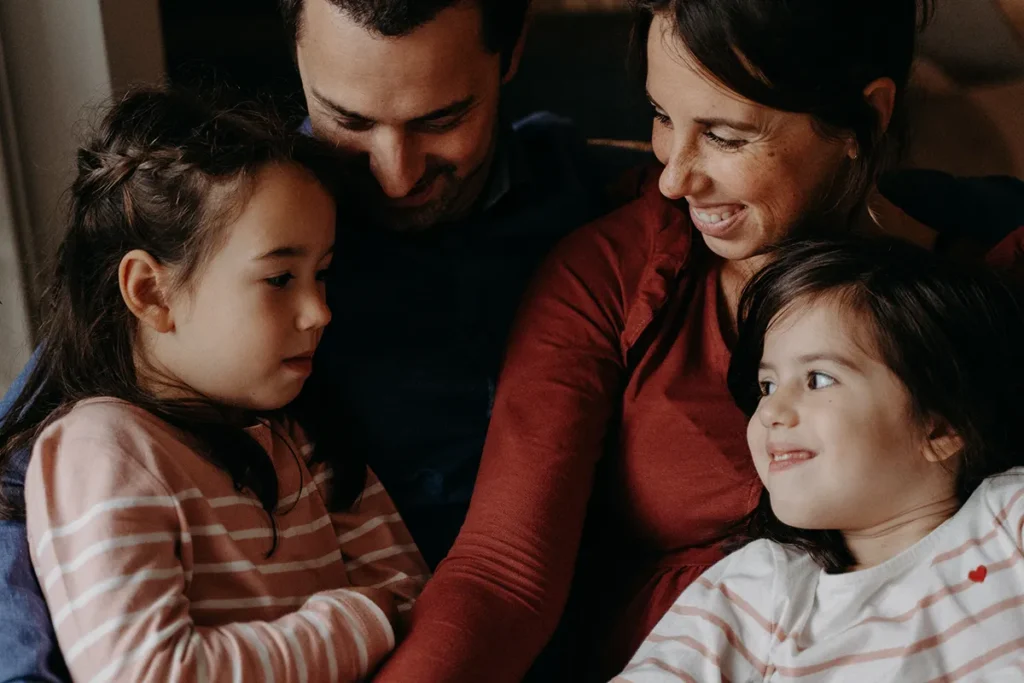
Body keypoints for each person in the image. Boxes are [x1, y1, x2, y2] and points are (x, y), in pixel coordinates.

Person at [374, 1, 1024, 681]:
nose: (673, 176)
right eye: (662, 117)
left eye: (725, 134)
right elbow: (504, 575)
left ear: (864, 118)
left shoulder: (987, 295)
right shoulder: (616, 275)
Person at [0, 1, 644, 679]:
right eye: (351, 121)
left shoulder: (602, 203)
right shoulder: (230, 230)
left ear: (510, 55)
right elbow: (20, 487)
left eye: (441, 119)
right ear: (299, 59)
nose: (396, 173)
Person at [2, 87, 428, 681]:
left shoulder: (303, 441)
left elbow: (416, 603)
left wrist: (377, 617)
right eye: (280, 278)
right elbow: (146, 674)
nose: (320, 312)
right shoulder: (102, 451)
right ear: (151, 292)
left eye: (322, 274)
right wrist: (355, 621)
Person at [616, 237, 1024, 682]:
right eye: (766, 386)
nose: (770, 412)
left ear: (940, 428)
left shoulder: (1008, 520)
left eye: (818, 379)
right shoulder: (757, 592)